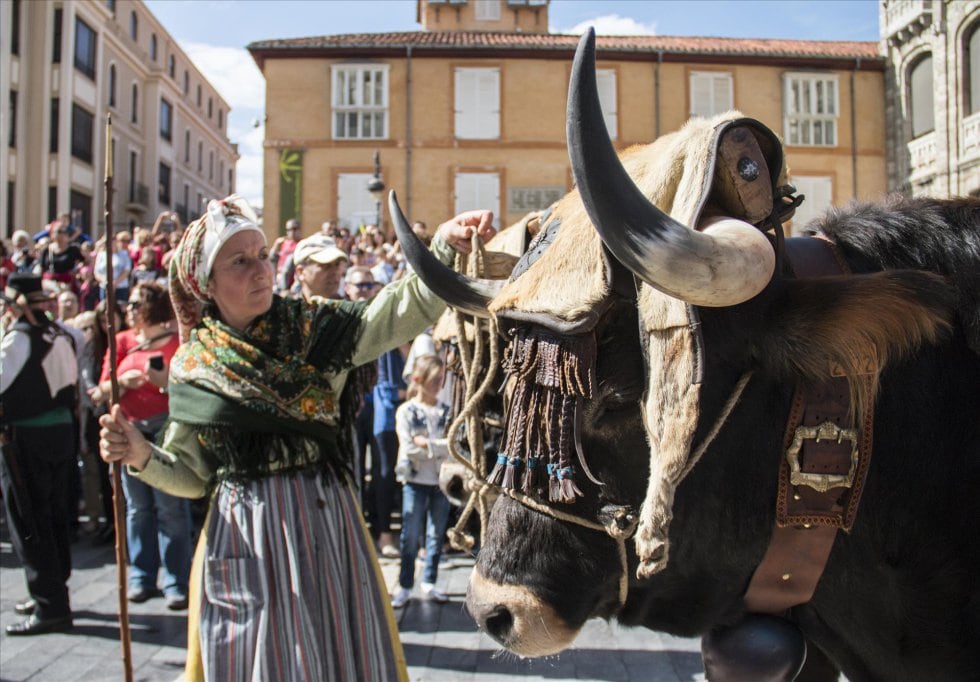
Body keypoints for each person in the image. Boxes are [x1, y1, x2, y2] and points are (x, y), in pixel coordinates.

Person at [98, 194, 493, 680]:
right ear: (206, 282)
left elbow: (388, 315)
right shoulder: (193, 366)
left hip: (328, 525)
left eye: (262, 255)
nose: (260, 271)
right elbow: (193, 477)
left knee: (339, 658)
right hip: (246, 538)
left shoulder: (312, 326)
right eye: (239, 261)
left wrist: (443, 251)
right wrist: (140, 454)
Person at [89, 283, 190, 608]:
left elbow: (189, 394)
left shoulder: (176, 343)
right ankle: (141, 577)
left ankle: (176, 580)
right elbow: (99, 390)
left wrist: (164, 387)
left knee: (170, 509)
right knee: (138, 509)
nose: (129, 308)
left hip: (165, 429)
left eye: (135, 303)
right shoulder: (122, 341)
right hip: (128, 427)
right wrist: (122, 382)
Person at [0, 273, 78, 635]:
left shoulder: (19, 338)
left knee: (30, 520)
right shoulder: (59, 333)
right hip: (61, 433)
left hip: (28, 438)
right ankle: (52, 591)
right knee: (53, 515)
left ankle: (50, 605)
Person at [391, 354, 452, 609]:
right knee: (410, 534)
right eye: (434, 379)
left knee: (436, 535)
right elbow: (408, 448)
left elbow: (453, 446)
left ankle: (429, 580)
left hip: (440, 483)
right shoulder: (407, 411)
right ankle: (405, 585)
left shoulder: (446, 411)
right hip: (415, 482)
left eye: (441, 379)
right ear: (419, 380)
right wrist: (438, 447)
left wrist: (427, 444)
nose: (439, 384)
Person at [293, 233, 348, 300]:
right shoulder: (286, 309)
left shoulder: (352, 309)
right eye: (326, 265)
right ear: (301, 272)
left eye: (337, 265)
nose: (334, 272)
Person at [94, 234, 133, 304]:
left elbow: (127, 270)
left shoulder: (124, 254)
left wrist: (115, 283)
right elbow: (97, 272)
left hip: (121, 287)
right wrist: (105, 282)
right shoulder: (101, 255)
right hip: (105, 287)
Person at [269, 218, 301, 293]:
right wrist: (276, 245)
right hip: (279, 278)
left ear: (299, 229)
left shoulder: (301, 244)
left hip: (293, 282)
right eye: (289, 230)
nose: (292, 232)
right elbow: (272, 258)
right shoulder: (283, 243)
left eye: (294, 229)